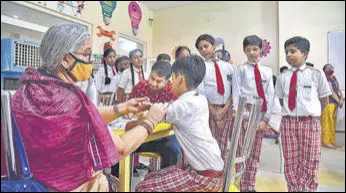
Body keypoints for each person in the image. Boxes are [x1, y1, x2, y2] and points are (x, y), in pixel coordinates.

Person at [10, 23, 168, 192]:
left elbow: (82, 116)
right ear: (65, 59)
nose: (92, 59)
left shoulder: (26, 89)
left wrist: (121, 108)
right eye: (86, 54)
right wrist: (151, 120)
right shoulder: (70, 98)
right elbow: (120, 148)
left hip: (32, 181)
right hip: (67, 186)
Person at [136, 55, 224, 192]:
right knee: (150, 177)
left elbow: (157, 114)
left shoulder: (182, 105)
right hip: (210, 170)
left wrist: (144, 110)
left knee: (142, 187)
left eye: (172, 78)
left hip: (202, 177)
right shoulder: (199, 99)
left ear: (179, 78)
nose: (170, 83)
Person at [275, 36, 331, 192]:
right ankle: (293, 188)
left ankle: (307, 189)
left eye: (293, 51)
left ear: (305, 54)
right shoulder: (282, 77)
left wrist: (312, 114)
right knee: (291, 161)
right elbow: (280, 100)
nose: (289, 55)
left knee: (310, 160)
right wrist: (290, 114)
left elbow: (324, 100)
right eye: (286, 52)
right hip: (289, 123)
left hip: (310, 123)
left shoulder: (316, 74)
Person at [232, 35, 279, 192]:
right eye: (248, 50)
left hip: (260, 113)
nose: (252, 52)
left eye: (255, 49)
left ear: (261, 50)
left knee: (255, 153)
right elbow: (236, 93)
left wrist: (266, 119)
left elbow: (270, 96)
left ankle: (250, 186)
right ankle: (240, 184)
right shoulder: (241, 70)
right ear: (244, 51)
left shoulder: (267, 71)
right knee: (242, 151)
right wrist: (243, 117)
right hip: (245, 113)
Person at [127, 61, 180, 172]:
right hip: (141, 132)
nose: (153, 83)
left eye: (159, 81)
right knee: (121, 144)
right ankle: (119, 181)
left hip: (163, 136)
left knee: (173, 150)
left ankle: (164, 181)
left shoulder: (173, 92)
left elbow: (176, 116)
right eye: (152, 78)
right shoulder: (140, 87)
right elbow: (128, 108)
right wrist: (135, 111)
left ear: (167, 81)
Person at [195, 34, 233, 162]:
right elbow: (201, 91)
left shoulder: (227, 66)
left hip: (225, 110)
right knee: (210, 143)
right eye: (200, 49)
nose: (203, 50)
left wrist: (225, 109)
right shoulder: (201, 68)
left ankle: (221, 174)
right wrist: (215, 113)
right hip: (209, 109)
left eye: (206, 46)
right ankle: (211, 172)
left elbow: (233, 89)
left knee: (223, 144)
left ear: (214, 46)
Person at [322, 64, 344, 149]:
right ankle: (325, 142)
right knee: (327, 123)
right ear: (324, 71)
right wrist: (339, 101)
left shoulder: (334, 78)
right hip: (328, 104)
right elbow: (330, 92)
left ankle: (332, 142)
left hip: (335, 104)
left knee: (332, 123)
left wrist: (341, 99)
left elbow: (338, 90)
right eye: (327, 68)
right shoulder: (325, 79)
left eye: (331, 67)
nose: (330, 69)